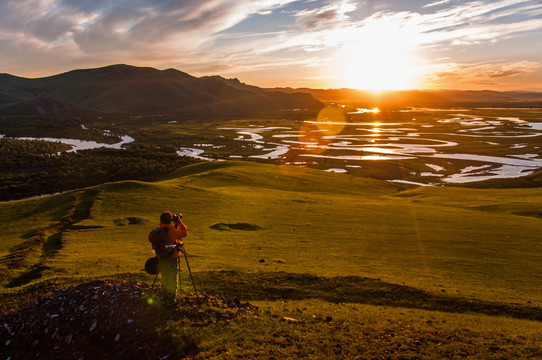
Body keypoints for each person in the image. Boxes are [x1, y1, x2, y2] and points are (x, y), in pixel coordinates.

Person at [153, 211, 188, 304]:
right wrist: (179, 222)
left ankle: (163, 298)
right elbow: (185, 233)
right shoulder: (172, 231)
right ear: (170, 220)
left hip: (161, 257)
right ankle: (170, 300)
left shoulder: (158, 230)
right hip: (171, 257)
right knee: (172, 278)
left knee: (165, 277)